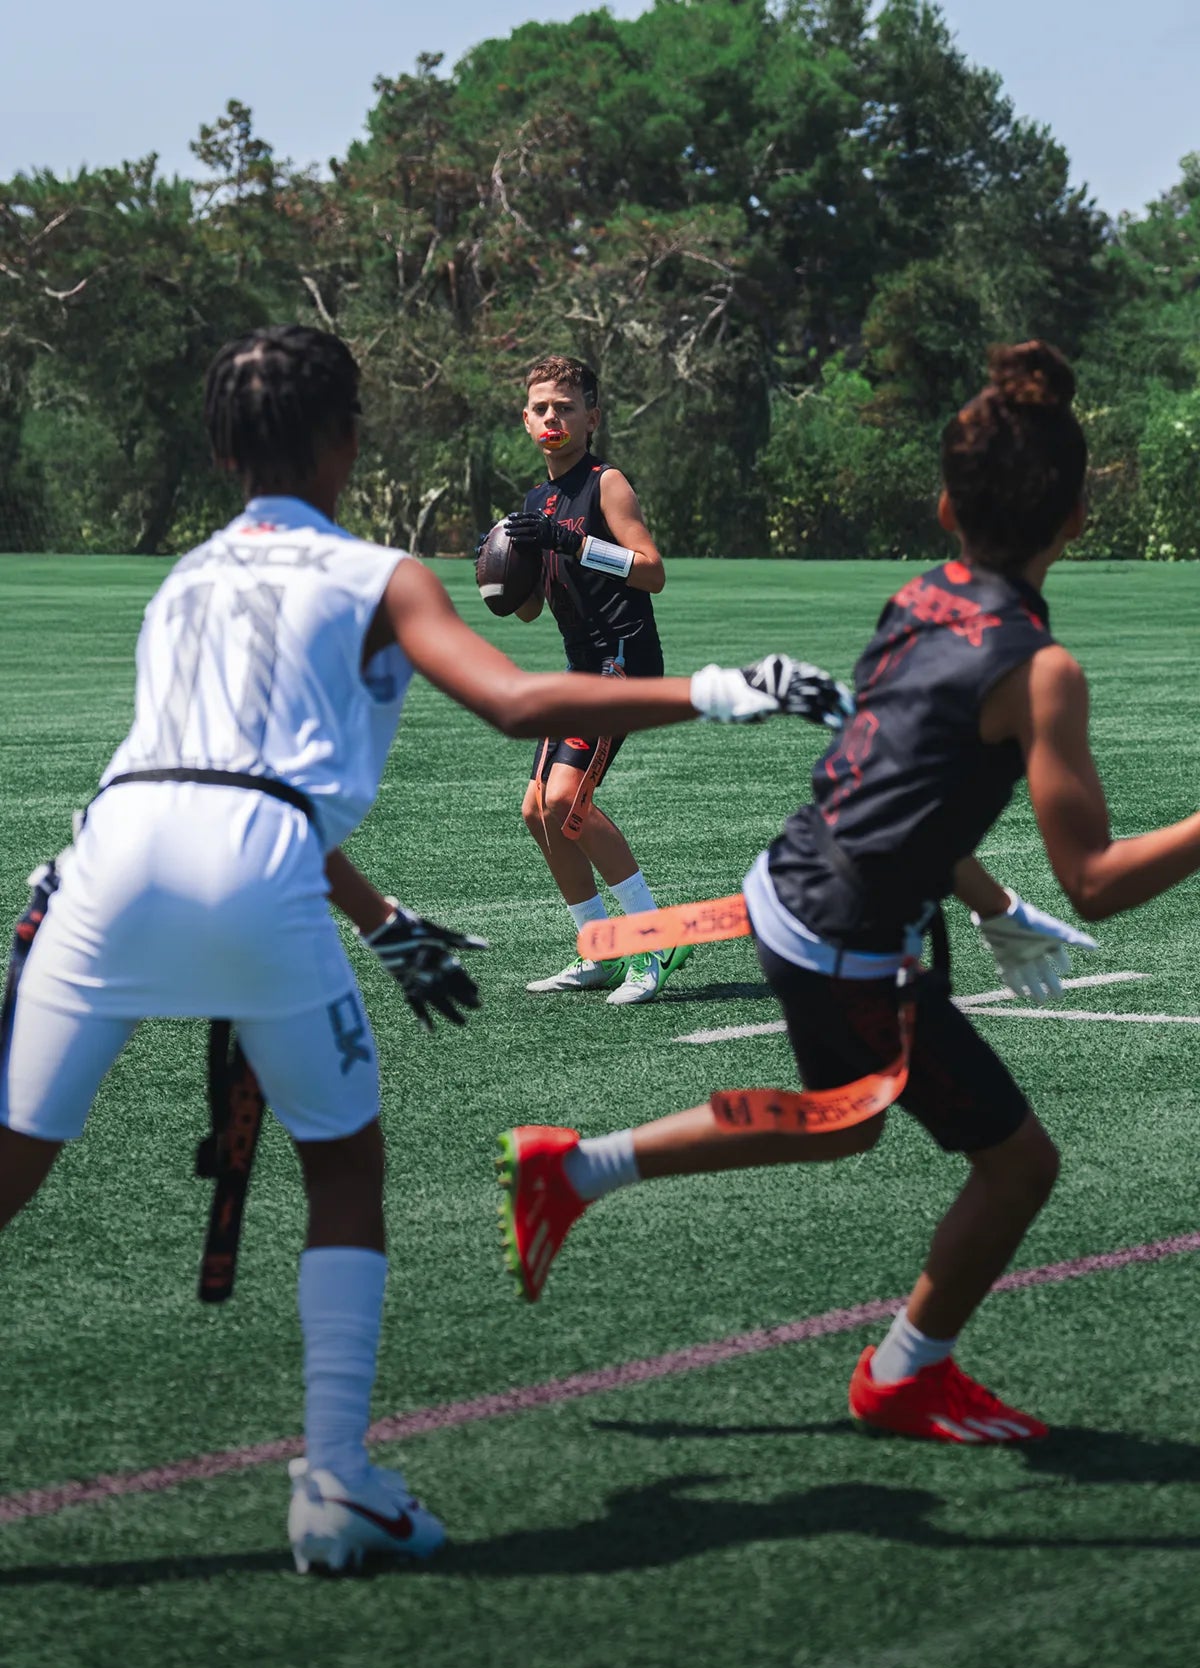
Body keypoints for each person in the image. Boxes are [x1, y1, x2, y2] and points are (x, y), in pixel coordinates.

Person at [0, 323, 846, 1572]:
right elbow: (512, 703)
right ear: (348, 439)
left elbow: (198, 775)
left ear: (224, 448)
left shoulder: (182, 575)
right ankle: (335, 1483)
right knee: (343, 1173)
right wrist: (722, 687)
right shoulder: (380, 575)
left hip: (94, 870)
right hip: (259, 874)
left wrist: (385, 918)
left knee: (11, 1172)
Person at [497, 340, 1200, 1445]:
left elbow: (895, 784)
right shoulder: (1044, 670)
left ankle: (572, 1170)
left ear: (942, 507)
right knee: (1017, 1164)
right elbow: (1101, 884)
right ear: (1076, 522)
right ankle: (903, 1373)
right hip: (847, 930)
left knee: (844, 1124)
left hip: (798, 882)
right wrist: (1014, 896)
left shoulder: (920, 595)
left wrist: (989, 902)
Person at [498, 355, 689, 1005]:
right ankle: (599, 948)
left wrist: (571, 542)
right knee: (536, 809)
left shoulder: (606, 484)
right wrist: (504, 566)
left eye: (565, 407)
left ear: (592, 418)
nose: (552, 417)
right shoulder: (535, 501)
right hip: (583, 667)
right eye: (541, 408)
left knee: (563, 802)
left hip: (624, 659)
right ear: (526, 420)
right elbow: (524, 608)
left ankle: (654, 937)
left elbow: (652, 570)